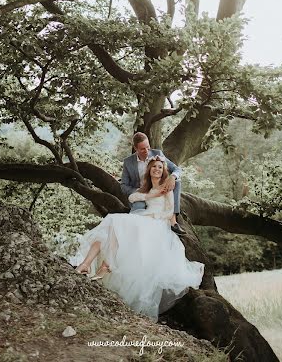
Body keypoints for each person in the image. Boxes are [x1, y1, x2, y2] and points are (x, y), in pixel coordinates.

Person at [70, 157, 204, 321]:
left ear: (164, 171)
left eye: (160, 167)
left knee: (113, 221)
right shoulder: (146, 188)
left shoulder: (167, 188)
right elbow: (133, 198)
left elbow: (170, 212)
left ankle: (104, 264)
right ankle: (88, 264)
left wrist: (154, 214)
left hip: (157, 223)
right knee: (110, 225)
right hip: (144, 220)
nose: (156, 169)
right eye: (154, 166)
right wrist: (149, 195)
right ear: (149, 170)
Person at [121, 132, 185, 235]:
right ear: (135, 148)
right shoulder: (128, 162)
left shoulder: (157, 154)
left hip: (157, 189)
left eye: (148, 147)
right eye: (142, 149)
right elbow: (123, 186)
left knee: (177, 182)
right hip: (141, 194)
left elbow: (176, 169)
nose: (146, 151)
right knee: (136, 220)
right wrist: (140, 192)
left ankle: (173, 220)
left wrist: (172, 177)